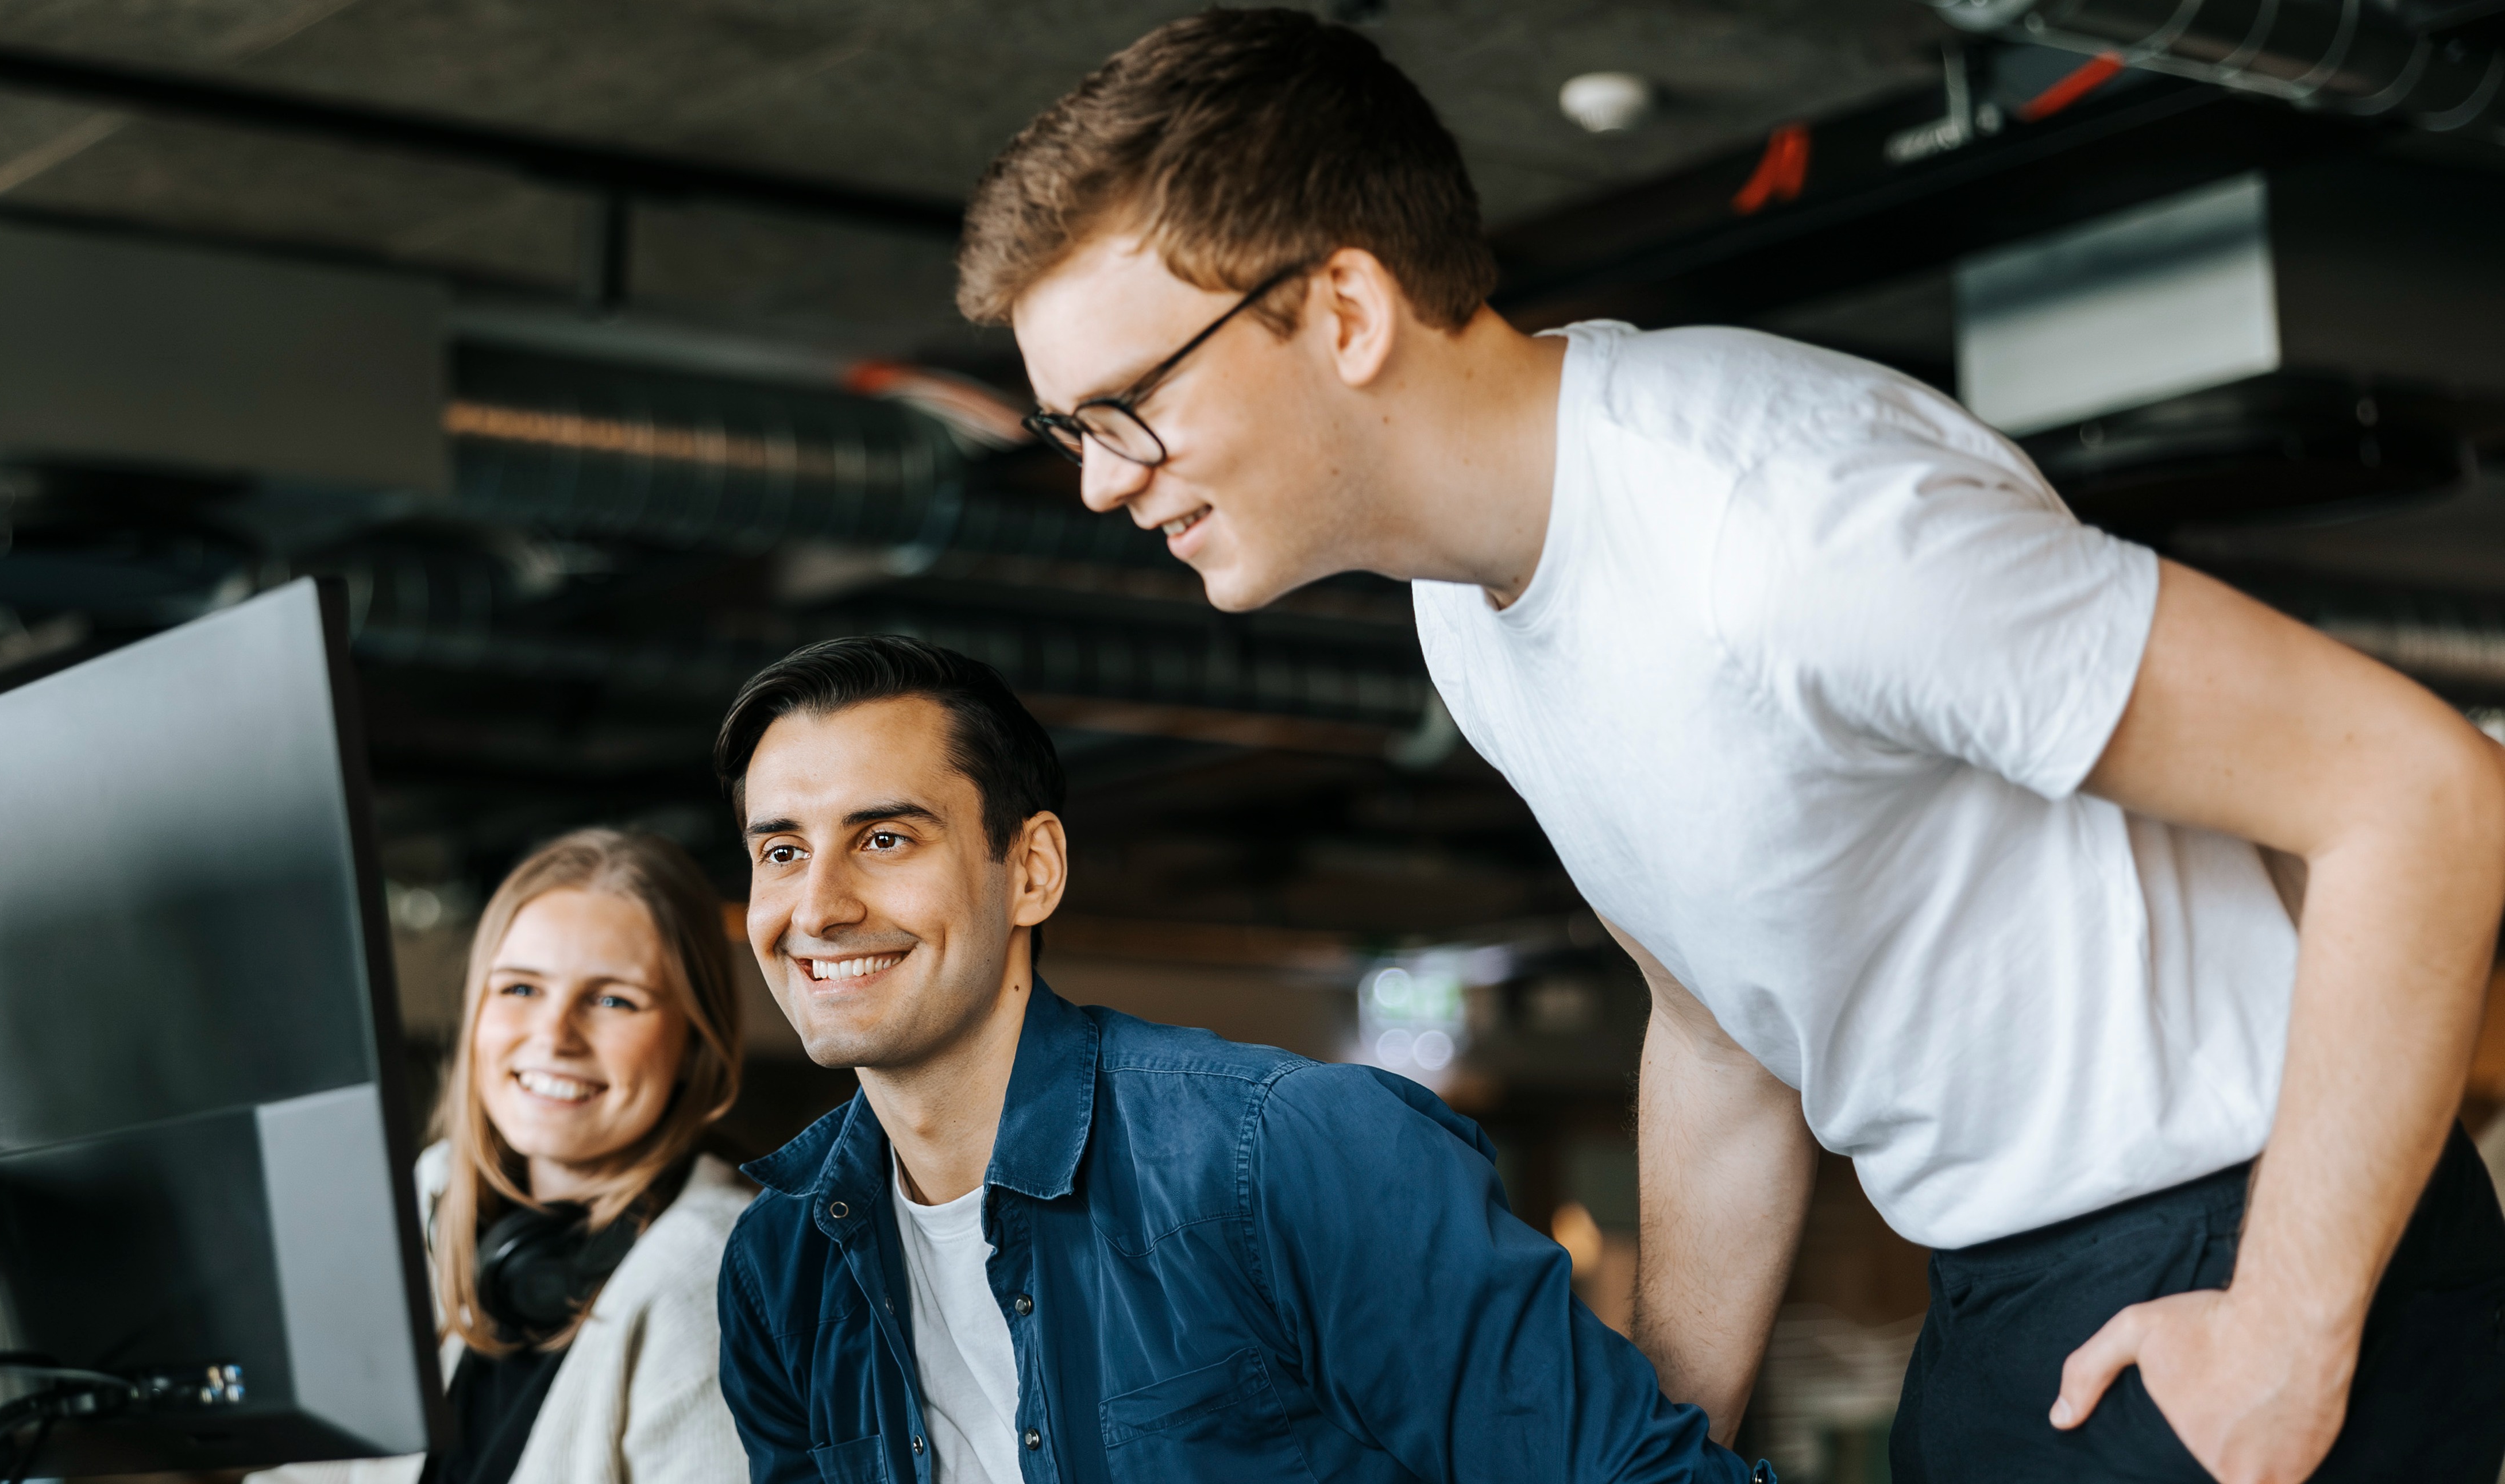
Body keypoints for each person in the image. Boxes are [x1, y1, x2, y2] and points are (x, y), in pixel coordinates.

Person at [959, 11, 2505, 1483]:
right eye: (1071, 428)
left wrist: (2288, 1329)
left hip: (2230, 1240)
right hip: (1995, 1283)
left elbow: (2417, 790)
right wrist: (1646, 1448)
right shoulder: (1469, 612)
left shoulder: (1783, 526)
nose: (1101, 481)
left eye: (1128, 404)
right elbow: (1717, 1037)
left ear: (1345, 314)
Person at [708, 635, 1759, 1483]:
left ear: (1031, 869)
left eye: (884, 839)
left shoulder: (1290, 1153)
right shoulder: (780, 1263)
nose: (818, 907)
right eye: (782, 851)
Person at [274, 828, 756, 1484]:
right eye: (521, 989)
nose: (554, 1036)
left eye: (613, 1000)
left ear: (695, 1046)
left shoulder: (716, 1273)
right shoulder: (437, 1194)